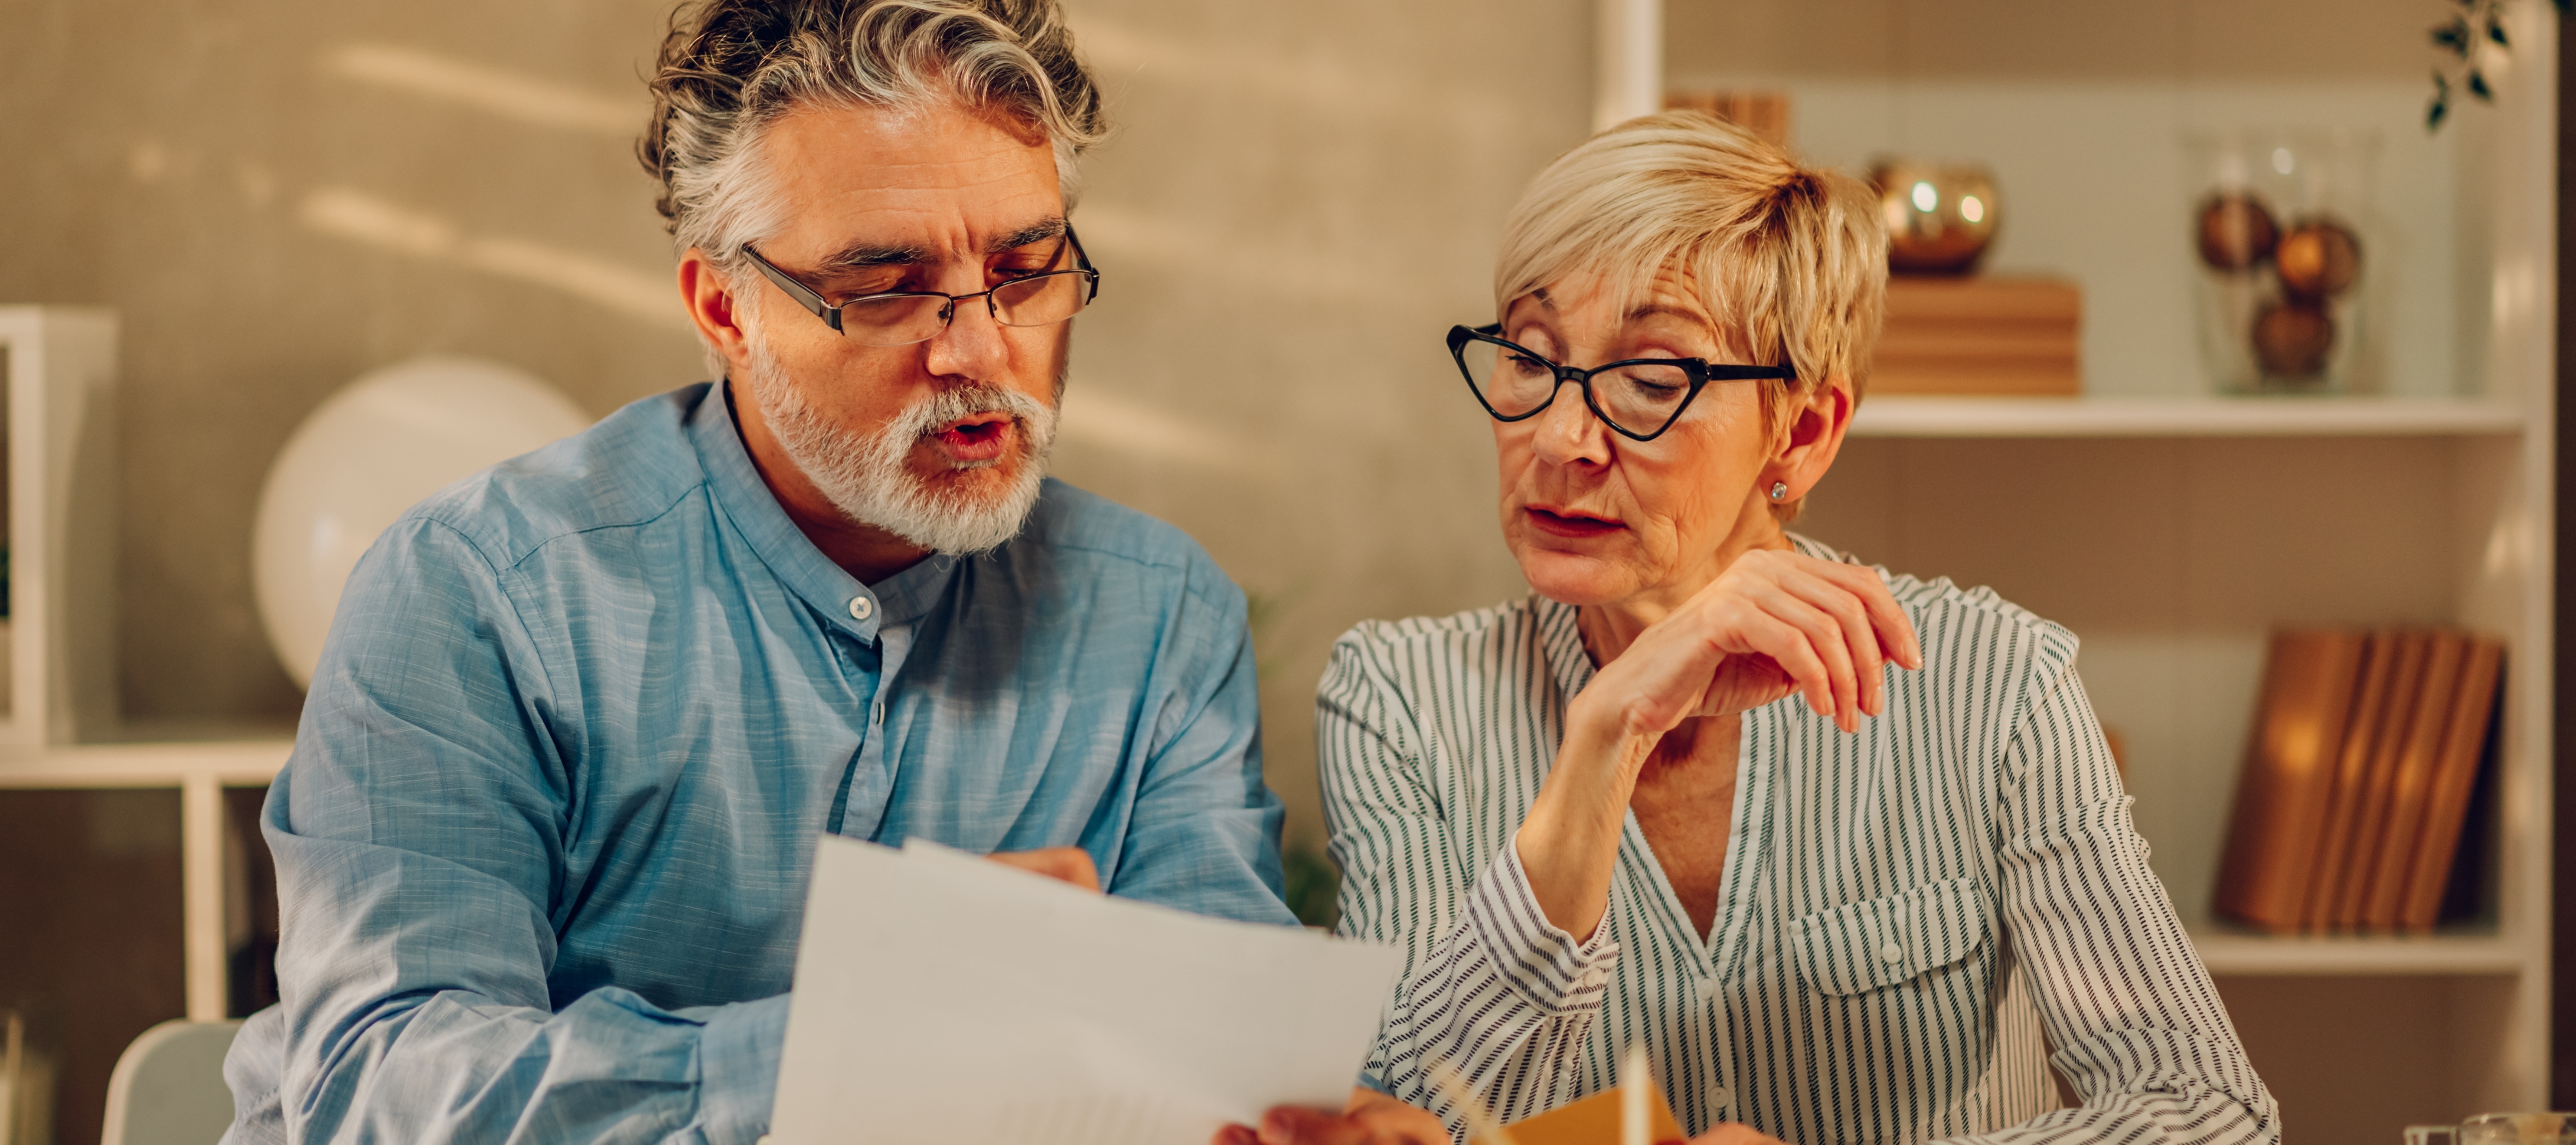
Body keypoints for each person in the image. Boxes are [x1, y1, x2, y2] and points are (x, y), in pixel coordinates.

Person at [219, 2, 1305, 1142]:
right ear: (722, 306)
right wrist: (846, 1051)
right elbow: (378, 1085)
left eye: (1025, 268)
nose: (982, 351)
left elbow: (1209, 1070)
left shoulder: (1161, 614)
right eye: (885, 286)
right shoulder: (477, 593)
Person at [1243, 113, 2279, 1145]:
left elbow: (2209, 1115)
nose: (1560, 438)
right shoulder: (1400, 699)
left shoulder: (1989, 681)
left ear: (1805, 431)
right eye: (1530, 356)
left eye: (1651, 381)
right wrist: (1604, 740)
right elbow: (1404, 1113)